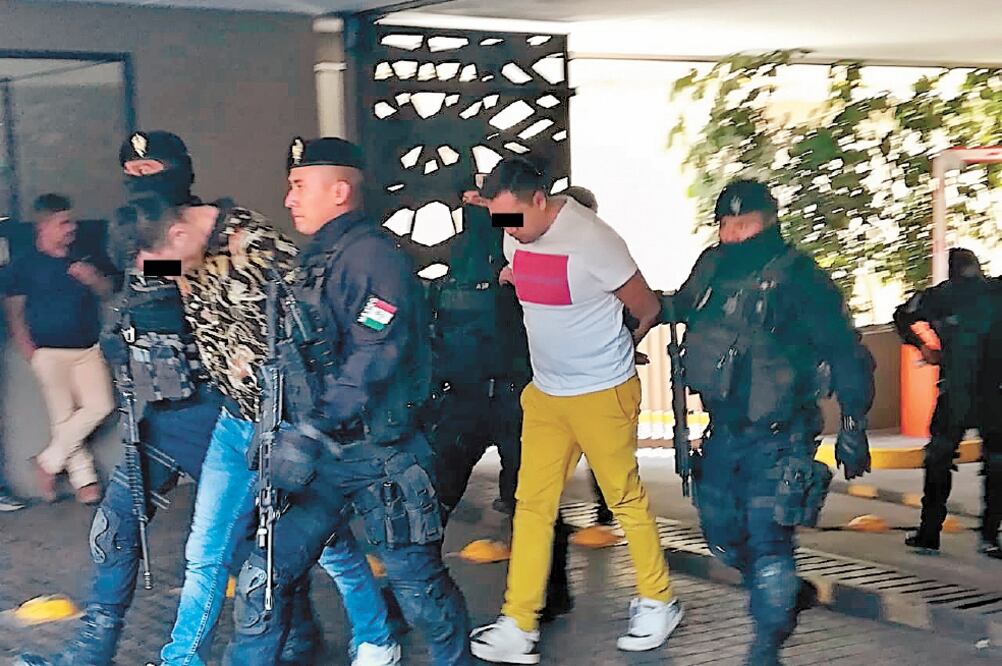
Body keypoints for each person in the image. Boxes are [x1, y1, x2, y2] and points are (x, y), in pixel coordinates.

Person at [13, 130, 321, 666]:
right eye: (131, 174)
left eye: (151, 172)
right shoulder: (145, 236)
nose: (139, 182)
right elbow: (135, 286)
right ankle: (92, 650)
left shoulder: (206, 236)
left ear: (179, 172)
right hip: (156, 411)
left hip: (214, 410)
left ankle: (298, 633)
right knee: (114, 530)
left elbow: (237, 300)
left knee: (247, 540)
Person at [117, 133, 397, 666]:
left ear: (178, 232)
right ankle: (182, 658)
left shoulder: (261, 246)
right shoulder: (172, 249)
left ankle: (377, 636)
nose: (163, 273)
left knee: (331, 547)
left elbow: (325, 325)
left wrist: (316, 418)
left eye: (162, 260)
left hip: (286, 421)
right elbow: (147, 279)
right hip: (234, 419)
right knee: (205, 550)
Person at [221, 137, 472, 666]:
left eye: (299, 186)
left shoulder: (374, 259)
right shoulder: (317, 258)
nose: (289, 199)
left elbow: (373, 353)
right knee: (264, 579)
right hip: (323, 459)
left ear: (339, 191)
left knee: (420, 592)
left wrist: (311, 428)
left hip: (382, 456)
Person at [469, 157, 682, 664]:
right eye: (500, 220)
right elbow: (522, 269)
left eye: (514, 219)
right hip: (546, 393)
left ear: (540, 201)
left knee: (624, 499)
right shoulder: (513, 228)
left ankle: (659, 601)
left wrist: (620, 346)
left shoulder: (593, 240)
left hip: (602, 392)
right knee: (531, 506)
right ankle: (519, 624)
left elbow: (647, 307)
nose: (509, 232)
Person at [661, 179, 874, 665]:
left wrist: (853, 422)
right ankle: (784, 593)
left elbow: (845, 350)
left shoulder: (800, 276)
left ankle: (766, 646)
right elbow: (678, 306)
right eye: (727, 224)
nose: (735, 234)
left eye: (746, 224)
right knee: (724, 539)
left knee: (769, 543)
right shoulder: (712, 266)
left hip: (782, 436)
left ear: (770, 222)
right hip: (722, 434)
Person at [423, 181, 573, 622]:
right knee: (525, 500)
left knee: (518, 499)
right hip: (493, 394)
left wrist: (489, 208)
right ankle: (551, 591)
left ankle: (416, 588)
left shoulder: (509, 244)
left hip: (497, 394)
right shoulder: (484, 250)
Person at [1, 194, 116, 505]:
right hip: (48, 351)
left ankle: (48, 462)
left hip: (87, 348)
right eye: (64, 222)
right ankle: (85, 482)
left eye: (72, 221)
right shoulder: (24, 264)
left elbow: (108, 290)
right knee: (63, 417)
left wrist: (92, 278)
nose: (72, 227)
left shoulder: (84, 256)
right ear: (44, 226)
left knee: (101, 406)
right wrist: (29, 351)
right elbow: (14, 312)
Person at [893, 247, 1002, 559]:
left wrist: (923, 347)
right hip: (994, 393)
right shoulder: (995, 291)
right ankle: (989, 536)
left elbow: (901, 316)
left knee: (939, 460)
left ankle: (929, 534)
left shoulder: (938, 297)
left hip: (955, 393)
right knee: (996, 463)